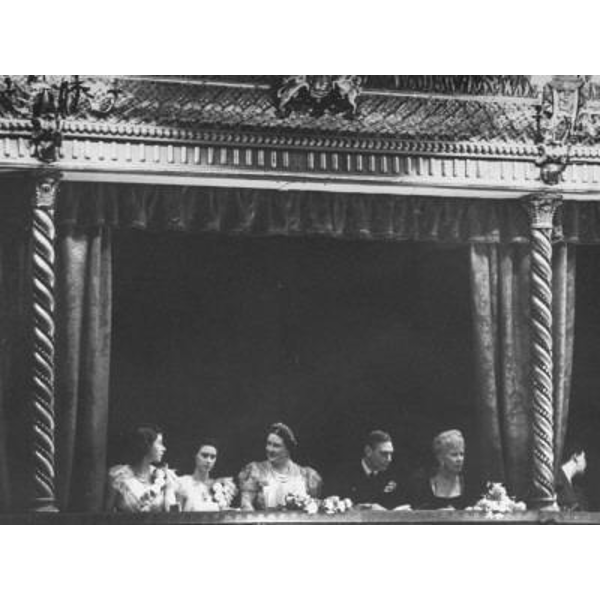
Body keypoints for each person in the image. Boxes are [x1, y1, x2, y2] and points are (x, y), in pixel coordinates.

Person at [238, 422, 322, 510]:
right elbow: (246, 505)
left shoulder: (307, 476)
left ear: (287, 449)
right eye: (268, 444)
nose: (270, 449)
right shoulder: (256, 471)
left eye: (276, 446)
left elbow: (313, 508)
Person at [105, 425, 179, 512]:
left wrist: (169, 487)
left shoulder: (163, 476)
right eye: (159, 443)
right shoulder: (118, 476)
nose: (164, 448)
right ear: (146, 445)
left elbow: (172, 513)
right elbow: (107, 514)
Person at [331, 430, 408, 510]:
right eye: (384, 454)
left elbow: (400, 503)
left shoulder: (394, 475)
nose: (389, 459)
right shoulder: (344, 475)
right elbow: (333, 506)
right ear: (368, 451)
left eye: (390, 454)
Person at [409, 429, 475, 510]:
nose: (459, 459)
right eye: (454, 455)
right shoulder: (423, 485)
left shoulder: (470, 484)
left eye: (462, 454)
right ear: (440, 457)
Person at [177, 439, 237, 511]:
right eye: (204, 456)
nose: (209, 461)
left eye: (212, 457)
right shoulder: (182, 482)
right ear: (195, 456)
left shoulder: (219, 485)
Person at [556, 443, 588, 511]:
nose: (586, 463)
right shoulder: (554, 480)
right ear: (576, 456)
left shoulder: (577, 491)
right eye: (585, 458)